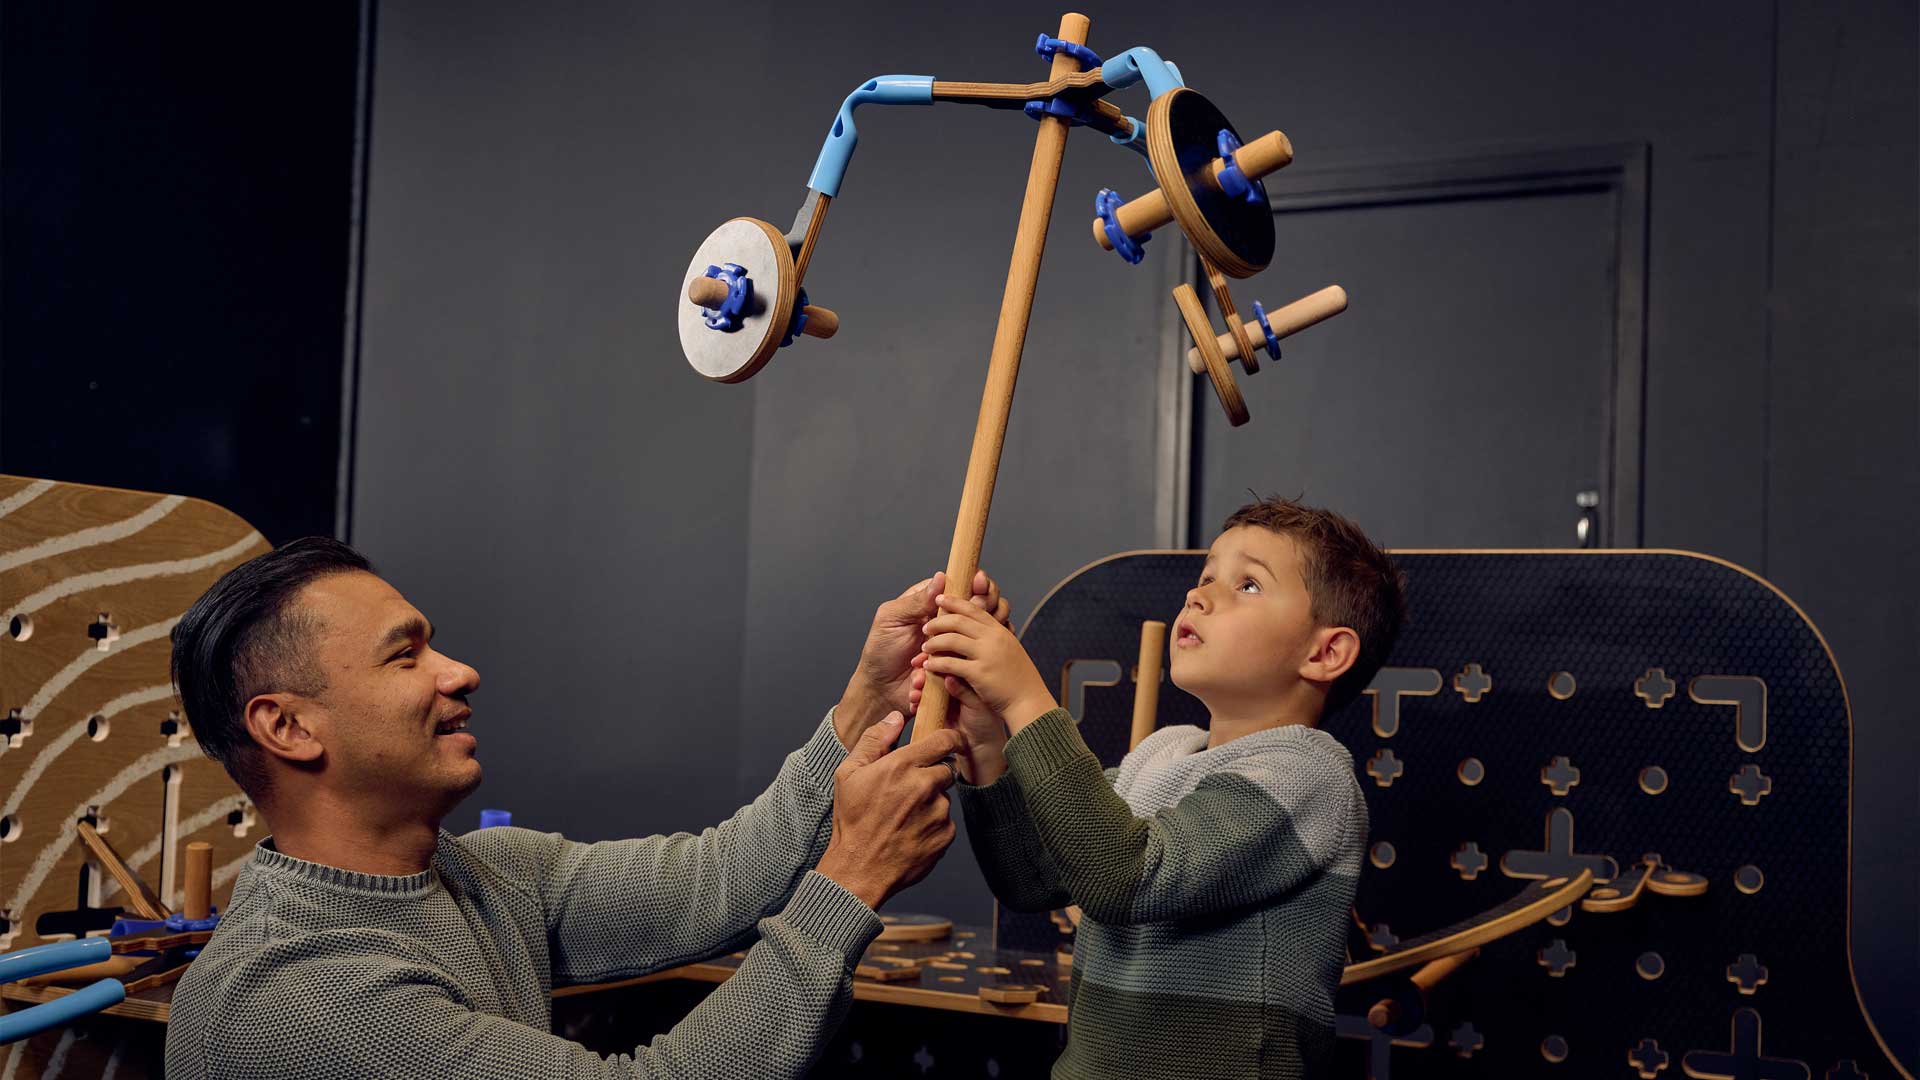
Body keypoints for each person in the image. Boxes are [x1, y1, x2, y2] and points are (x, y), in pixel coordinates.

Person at [163, 536, 1009, 1079]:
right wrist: (852, 880)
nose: (459, 673)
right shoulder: (296, 999)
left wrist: (868, 702)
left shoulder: (488, 875)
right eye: (404, 656)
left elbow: (721, 879)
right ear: (287, 726)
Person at [915, 496, 1404, 1078]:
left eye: (1248, 585)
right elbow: (1033, 874)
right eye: (1205, 577)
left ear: (1326, 653)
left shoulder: (1308, 777)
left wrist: (1025, 698)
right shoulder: (1165, 755)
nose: (1199, 595)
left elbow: (1122, 877)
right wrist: (989, 744)